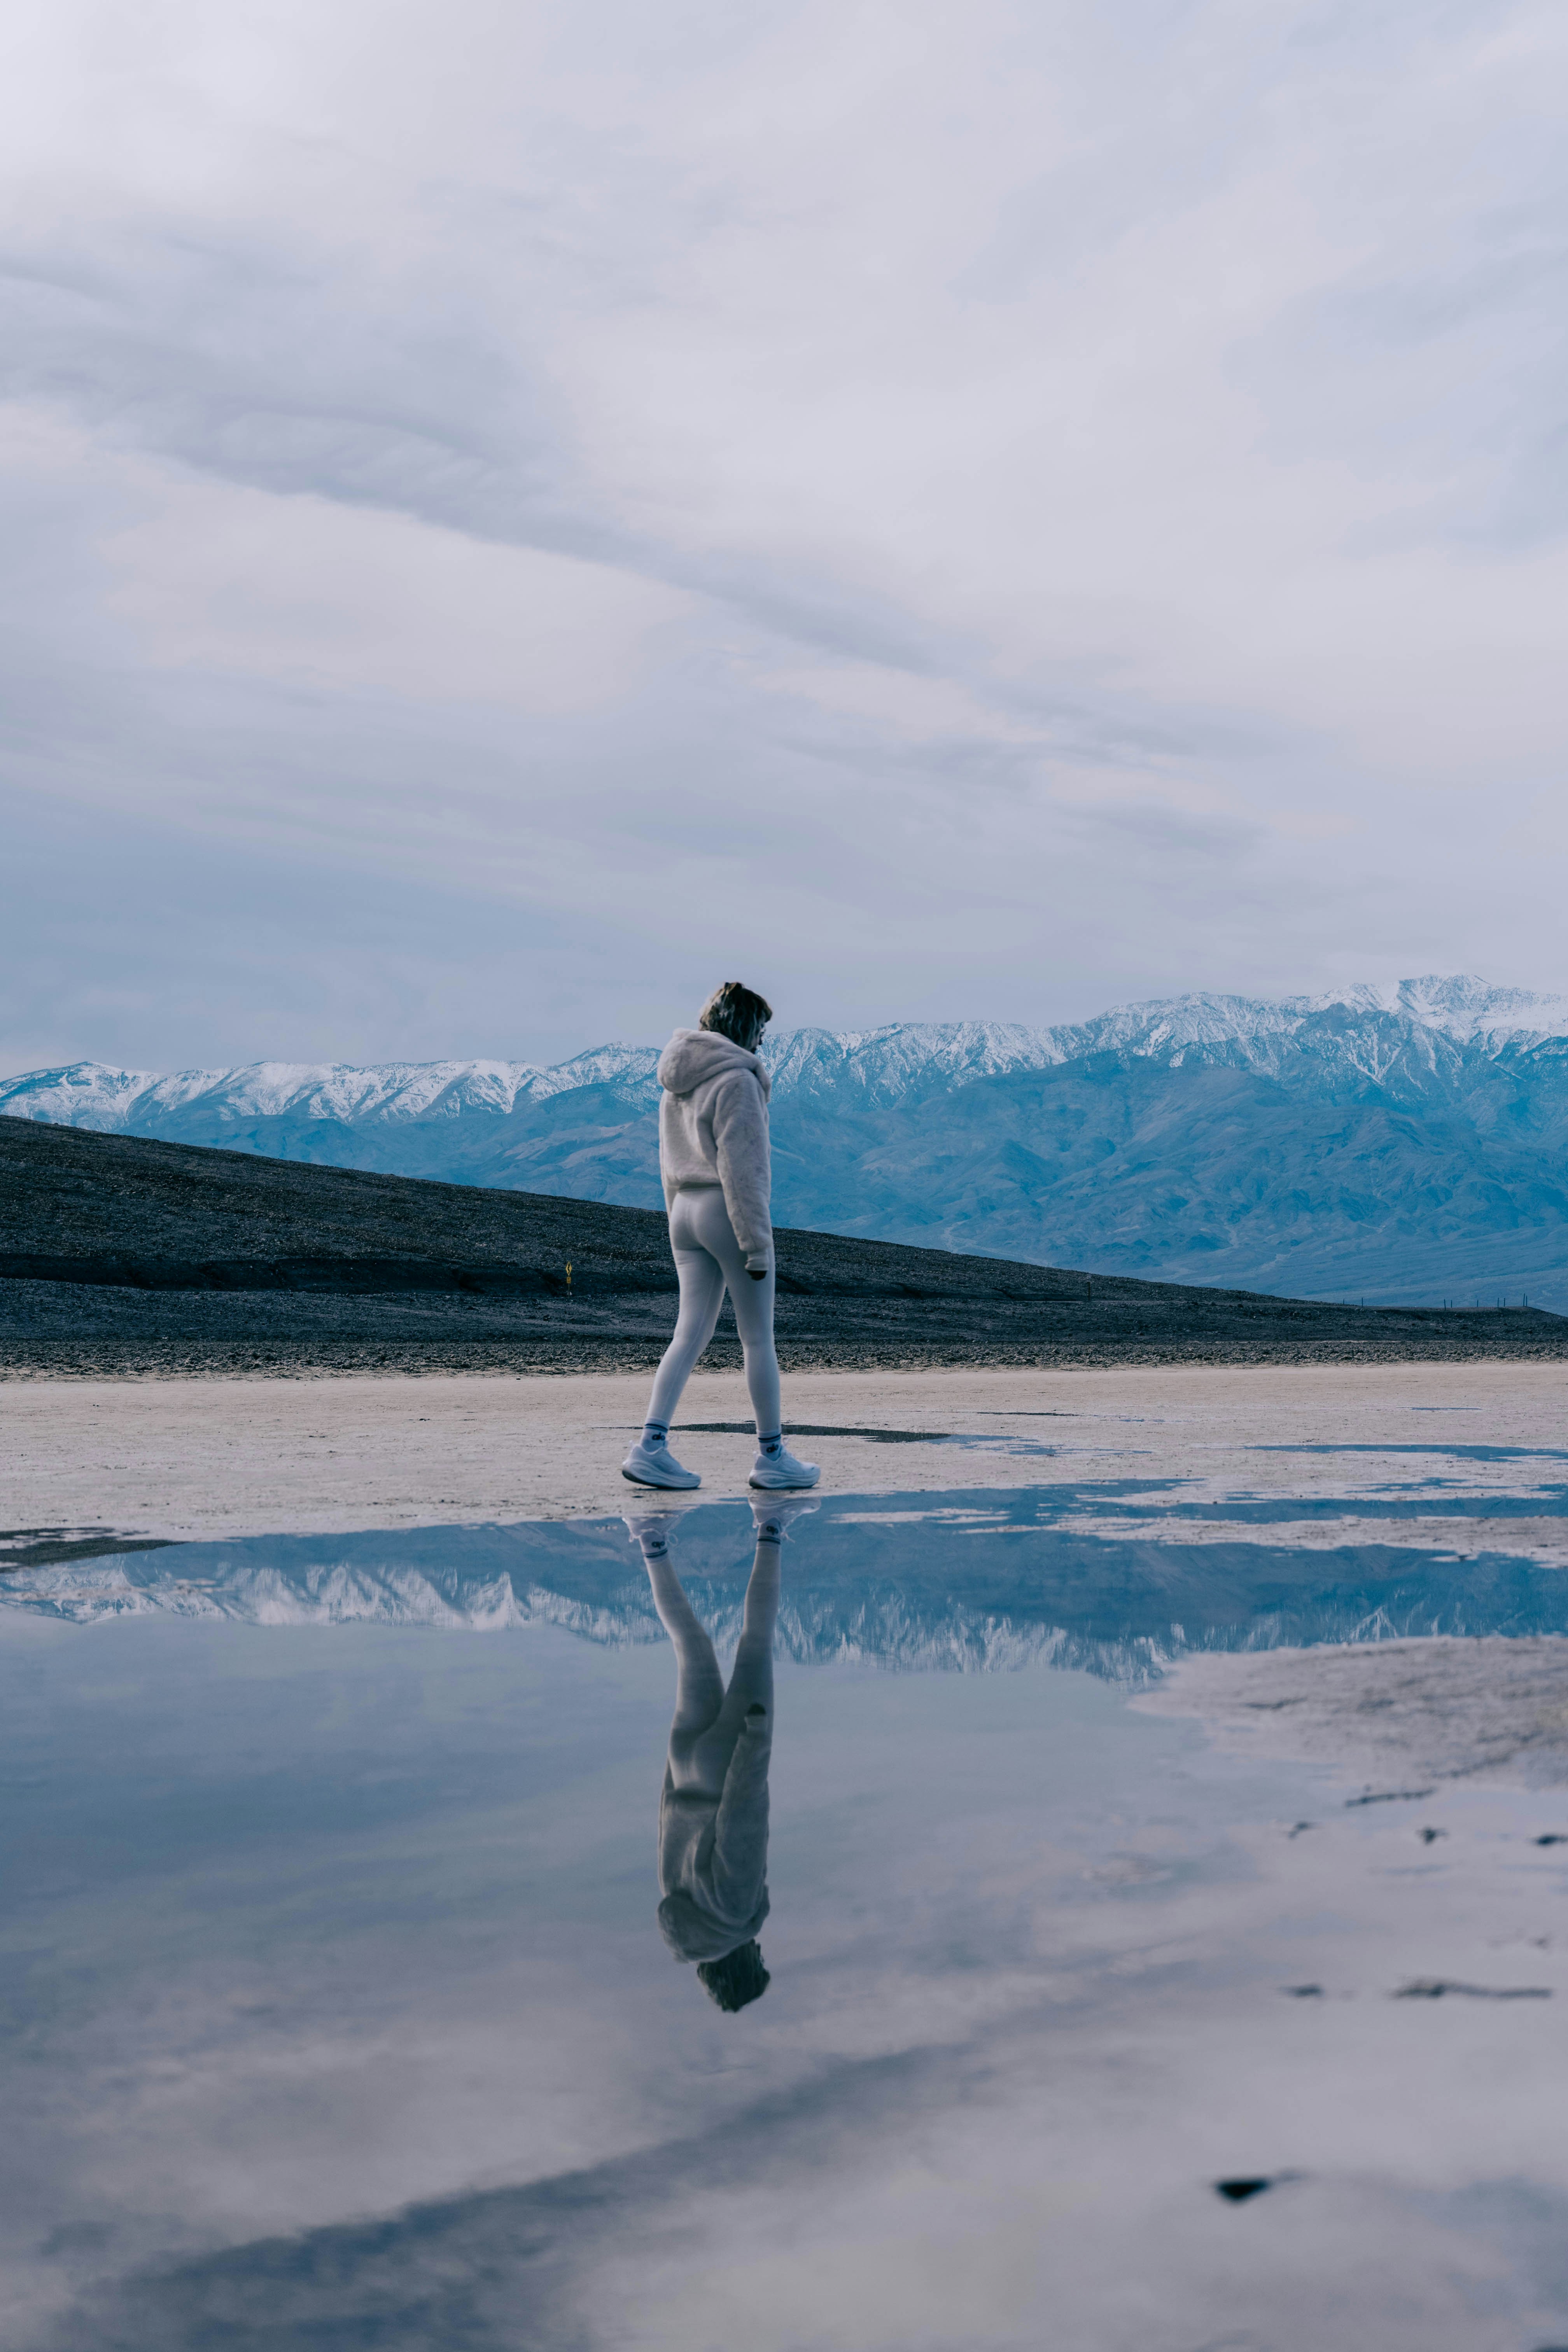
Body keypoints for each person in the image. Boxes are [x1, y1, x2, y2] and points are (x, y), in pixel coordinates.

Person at [622, 981, 819, 1493]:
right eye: (760, 1029)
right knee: (757, 1338)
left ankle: (650, 1447)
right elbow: (744, 1169)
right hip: (723, 1209)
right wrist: (756, 1243)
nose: (763, 1041)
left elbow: (670, 1162)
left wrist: (676, 1223)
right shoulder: (737, 1080)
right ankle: (772, 1457)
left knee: (689, 1334)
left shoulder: (678, 1079)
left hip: (683, 1208)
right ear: (743, 1026)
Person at [627, 1497, 816, 2011]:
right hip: (685, 1766)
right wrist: (673, 1765)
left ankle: (771, 1523)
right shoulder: (677, 1910)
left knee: (755, 1642)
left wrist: (755, 1742)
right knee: (691, 1645)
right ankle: (649, 1538)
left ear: (748, 1965)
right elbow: (666, 1824)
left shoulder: (736, 1914)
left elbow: (743, 1821)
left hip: (724, 1769)